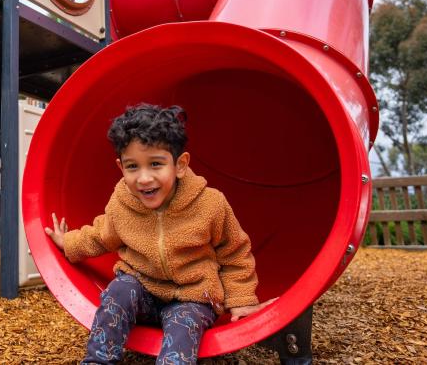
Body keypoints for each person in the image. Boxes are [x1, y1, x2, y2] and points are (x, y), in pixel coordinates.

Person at [45, 103, 276, 364]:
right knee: (117, 293)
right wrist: (69, 242)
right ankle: (98, 360)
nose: (144, 178)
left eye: (156, 164)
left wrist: (242, 300)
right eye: (133, 167)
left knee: (182, 330)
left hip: (193, 297)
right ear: (121, 167)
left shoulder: (210, 204)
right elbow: (102, 234)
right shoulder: (122, 204)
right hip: (142, 289)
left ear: (180, 165)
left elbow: (234, 253)